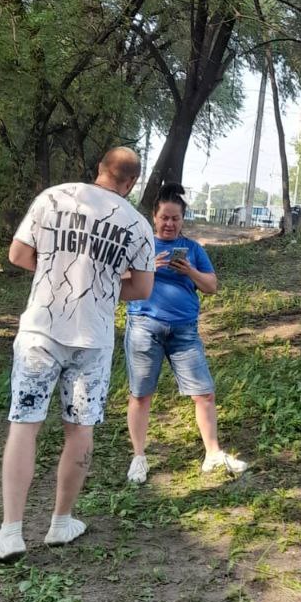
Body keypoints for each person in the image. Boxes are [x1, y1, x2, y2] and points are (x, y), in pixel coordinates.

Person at [0, 147, 155, 562]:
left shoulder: (54, 198)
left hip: (41, 330)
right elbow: (142, 290)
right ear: (131, 182)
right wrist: (106, 284)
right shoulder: (137, 225)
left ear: (99, 169)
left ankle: (10, 531)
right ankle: (61, 521)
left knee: (24, 425)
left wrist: (55, 269)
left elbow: (18, 254)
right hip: (92, 338)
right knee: (80, 430)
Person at [124, 183, 247, 483]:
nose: (169, 224)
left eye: (175, 218)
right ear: (154, 217)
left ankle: (213, 454)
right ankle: (139, 457)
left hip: (184, 331)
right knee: (141, 395)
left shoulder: (193, 249)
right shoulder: (141, 246)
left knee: (204, 393)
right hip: (144, 327)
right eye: (165, 217)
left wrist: (189, 270)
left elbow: (212, 287)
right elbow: (119, 281)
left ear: (182, 220)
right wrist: (148, 268)